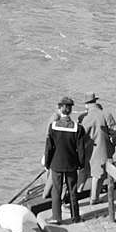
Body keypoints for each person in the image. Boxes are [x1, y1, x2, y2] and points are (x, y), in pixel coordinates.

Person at [43, 96, 87, 224]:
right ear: (70, 110)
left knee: (56, 190)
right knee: (72, 190)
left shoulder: (53, 126)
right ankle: (75, 217)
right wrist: (81, 163)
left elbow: (49, 148)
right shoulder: (77, 128)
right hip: (71, 164)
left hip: (56, 164)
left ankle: (56, 217)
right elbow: (81, 149)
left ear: (60, 109)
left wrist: (47, 163)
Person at [78, 93, 116, 204]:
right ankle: (94, 198)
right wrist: (114, 144)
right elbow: (114, 132)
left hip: (86, 149)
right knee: (98, 174)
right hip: (102, 148)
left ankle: (76, 193)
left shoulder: (83, 117)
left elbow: (79, 136)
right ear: (95, 101)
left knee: (83, 171)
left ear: (86, 105)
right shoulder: (106, 114)